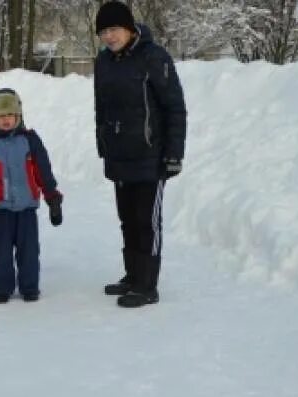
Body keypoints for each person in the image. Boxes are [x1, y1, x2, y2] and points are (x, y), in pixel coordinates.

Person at [93, 0, 187, 308]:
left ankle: (148, 286)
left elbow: (174, 108)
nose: (109, 36)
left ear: (130, 28)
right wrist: (102, 141)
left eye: (115, 29)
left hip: (150, 156)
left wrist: (174, 154)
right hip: (119, 155)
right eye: (104, 31)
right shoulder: (103, 62)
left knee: (148, 223)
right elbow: (101, 107)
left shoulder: (154, 58)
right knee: (127, 220)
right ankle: (133, 276)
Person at [0, 89, 61, 303]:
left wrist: (52, 198)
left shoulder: (30, 140)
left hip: (27, 207)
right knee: (1, 252)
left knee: (29, 251)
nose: (6, 120)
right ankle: (2, 288)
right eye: (1, 116)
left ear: (18, 117)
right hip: (0, 209)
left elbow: (43, 170)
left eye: (10, 115)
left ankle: (29, 287)